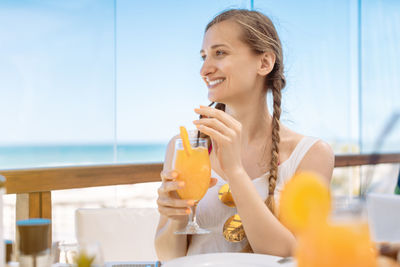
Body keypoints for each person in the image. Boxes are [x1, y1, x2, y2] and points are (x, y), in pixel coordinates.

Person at [155, 9, 334, 261]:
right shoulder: (183, 147)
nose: (204, 69)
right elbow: (168, 257)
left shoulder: (312, 154)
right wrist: (175, 219)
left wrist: (236, 173)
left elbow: (293, 256)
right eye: (204, 56)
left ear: (264, 63)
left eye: (220, 53)